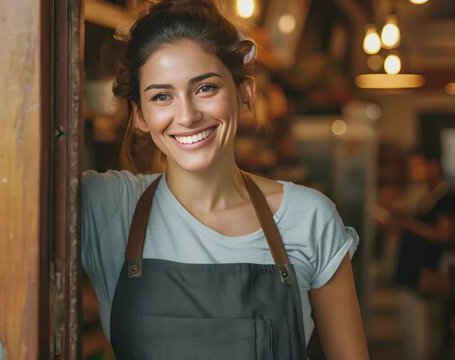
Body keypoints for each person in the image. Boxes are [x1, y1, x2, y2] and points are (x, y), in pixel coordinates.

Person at [80, 1, 369, 358]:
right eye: (161, 96)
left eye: (205, 88)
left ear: (244, 91)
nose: (186, 115)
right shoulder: (105, 206)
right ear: (139, 115)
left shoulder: (307, 218)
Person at [392, 151, 455, 360]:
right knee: (414, 329)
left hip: (427, 269)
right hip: (412, 268)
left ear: (433, 165)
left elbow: (444, 234)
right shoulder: (421, 193)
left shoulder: (445, 196)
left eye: (419, 165)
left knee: (424, 332)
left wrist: (410, 225)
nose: (414, 171)